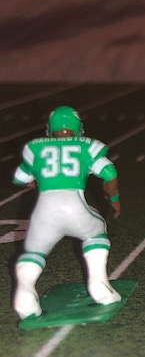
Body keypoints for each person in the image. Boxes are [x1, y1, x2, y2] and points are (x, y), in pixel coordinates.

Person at [12, 106, 122, 319]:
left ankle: (25, 292)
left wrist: (39, 179)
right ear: (78, 127)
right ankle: (99, 283)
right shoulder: (86, 147)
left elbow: (19, 178)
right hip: (75, 208)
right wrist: (114, 200)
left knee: (34, 252)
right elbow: (109, 172)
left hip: (44, 211)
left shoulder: (36, 148)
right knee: (96, 231)